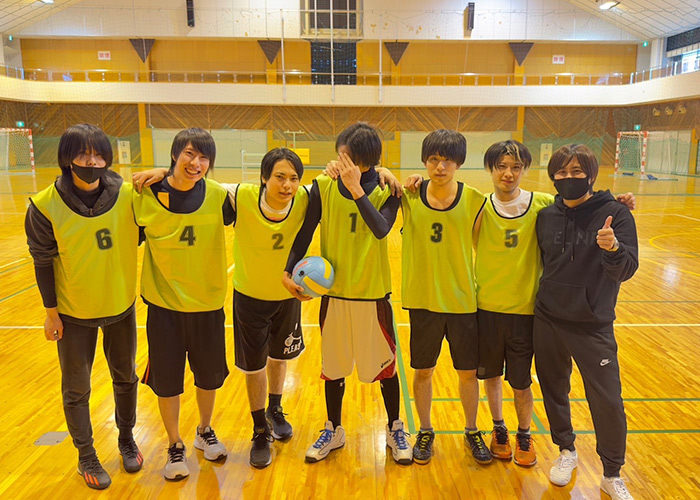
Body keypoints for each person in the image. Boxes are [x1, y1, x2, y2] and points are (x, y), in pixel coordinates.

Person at [282, 122, 411, 465]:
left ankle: (395, 428)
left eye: (348, 156)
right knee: (334, 367)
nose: (341, 161)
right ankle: (333, 428)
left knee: (385, 368)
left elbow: (381, 229)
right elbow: (305, 231)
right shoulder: (323, 186)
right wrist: (288, 270)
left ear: (366, 160)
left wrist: (357, 189)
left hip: (372, 295)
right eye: (340, 154)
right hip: (334, 296)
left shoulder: (388, 190)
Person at [25, 124, 143, 490]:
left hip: (120, 305)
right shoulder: (44, 205)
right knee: (76, 389)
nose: (91, 162)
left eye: (98, 154)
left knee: (125, 378)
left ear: (108, 158)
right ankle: (86, 454)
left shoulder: (128, 195)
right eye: (82, 154)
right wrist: (51, 313)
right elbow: (42, 261)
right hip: (73, 312)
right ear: (66, 158)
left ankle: (126, 438)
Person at [534, 144, 638, 500]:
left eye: (577, 172)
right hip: (548, 318)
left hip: (593, 323)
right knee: (554, 389)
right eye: (562, 172)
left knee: (607, 400)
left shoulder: (616, 214)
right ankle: (566, 450)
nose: (569, 178)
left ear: (591, 176)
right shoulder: (546, 216)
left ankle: (612, 473)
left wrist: (613, 248)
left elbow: (626, 269)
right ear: (553, 177)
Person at [133, 128, 234, 481]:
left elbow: (268, 198)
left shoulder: (219, 196)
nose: (197, 163)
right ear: (175, 154)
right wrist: (162, 174)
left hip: (207, 306)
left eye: (204, 157)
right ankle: (174, 444)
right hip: (165, 309)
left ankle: (204, 430)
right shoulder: (144, 195)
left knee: (208, 378)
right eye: (190, 154)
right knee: (168, 382)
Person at [400, 129, 490, 466]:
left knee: (467, 374)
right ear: (425, 161)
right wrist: (385, 172)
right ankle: (425, 430)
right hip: (423, 301)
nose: (440, 166)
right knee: (424, 372)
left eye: (448, 160)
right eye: (434, 159)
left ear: (459, 163)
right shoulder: (408, 196)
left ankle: (471, 430)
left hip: (462, 302)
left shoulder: (475, 200)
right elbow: (376, 180)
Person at [230, 148, 309, 468]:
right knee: (254, 367)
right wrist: (162, 174)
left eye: (293, 178)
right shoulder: (240, 197)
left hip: (287, 297)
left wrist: (384, 172)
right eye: (279, 177)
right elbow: (195, 185)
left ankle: (275, 409)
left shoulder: (306, 199)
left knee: (280, 357)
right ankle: (259, 429)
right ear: (264, 178)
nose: (287, 185)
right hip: (249, 298)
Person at [474, 140, 551, 467]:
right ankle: (498, 428)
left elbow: (582, 207)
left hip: (525, 312)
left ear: (525, 170)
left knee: (521, 382)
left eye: (516, 167)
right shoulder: (478, 206)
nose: (508, 173)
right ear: (490, 169)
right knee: (491, 377)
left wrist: (616, 202)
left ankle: (524, 433)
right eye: (501, 166)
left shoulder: (543, 203)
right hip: (486, 309)